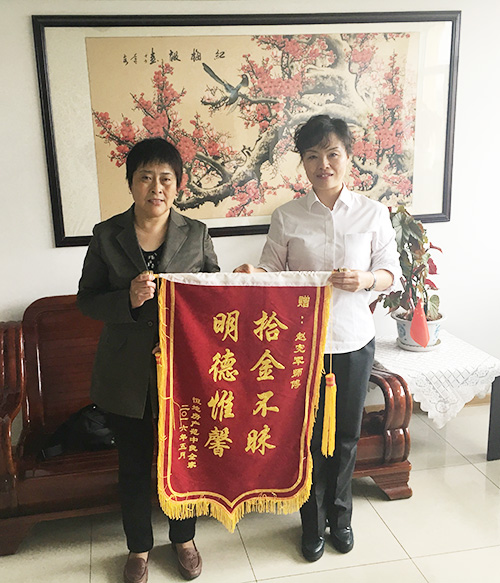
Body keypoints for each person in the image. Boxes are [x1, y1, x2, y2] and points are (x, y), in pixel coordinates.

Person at [234, 115, 401, 562]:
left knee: (345, 435)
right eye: (312, 156)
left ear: (348, 157)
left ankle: (341, 517)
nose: (322, 164)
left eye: (331, 154)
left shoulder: (373, 213)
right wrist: (254, 272)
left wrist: (366, 279)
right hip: (299, 345)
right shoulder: (287, 216)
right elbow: (272, 269)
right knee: (305, 437)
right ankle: (311, 523)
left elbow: (392, 273)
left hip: (352, 341)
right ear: (303, 163)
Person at [78, 138, 219, 583]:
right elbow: (87, 300)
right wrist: (129, 299)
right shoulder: (106, 235)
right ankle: (138, 548)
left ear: (179, 185)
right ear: (131, 183)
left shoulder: (196, 233)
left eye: (165, 179)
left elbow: (214, 296)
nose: (156, 188)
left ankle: (184, 539)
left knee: (184, 459)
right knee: (135, 466)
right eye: (145, 177)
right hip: (126, 376)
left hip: (183, 372)